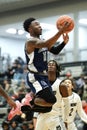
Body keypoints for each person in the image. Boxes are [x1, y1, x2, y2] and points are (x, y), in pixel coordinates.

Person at [22, 17, 70, 110]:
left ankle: (31, 104)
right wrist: (60, 31)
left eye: (40, 24)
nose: (40, 26)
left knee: (48, 107)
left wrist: (64, 42)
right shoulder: (30, 42)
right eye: (36, 24)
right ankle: (30, 100)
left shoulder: (42, 40)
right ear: (30, 29)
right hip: (35, 76)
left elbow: (55, 51)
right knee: (51, 100)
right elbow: (46, 44)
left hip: (43, 76)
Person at [35, 60, 69, 130]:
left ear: (57, 69)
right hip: (42, 116)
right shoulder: (41, 84)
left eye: (53, 64)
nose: (50, 65)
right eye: (49, 64)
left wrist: (65, 120)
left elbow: (67, 104)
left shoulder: (62, 85)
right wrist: (36, 115)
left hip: (55, 117)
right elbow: (35, 100)